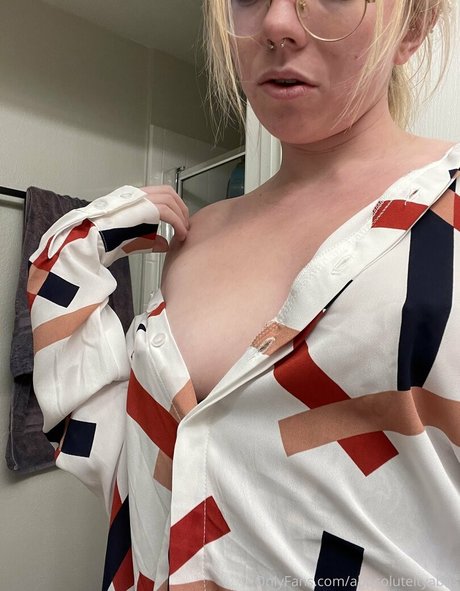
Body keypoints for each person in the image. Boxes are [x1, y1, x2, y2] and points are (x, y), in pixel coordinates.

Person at [29, 0, 459, 589]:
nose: (277, 24)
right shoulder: (198, 234)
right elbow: (130, 460)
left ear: (412, 26)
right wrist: (88, 236)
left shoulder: (448, 215)